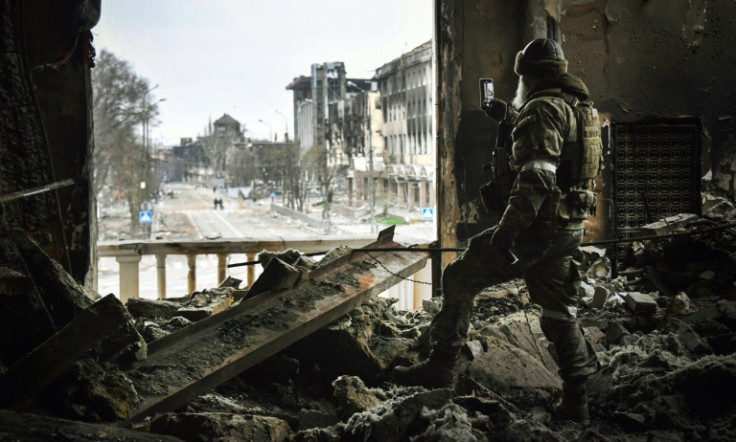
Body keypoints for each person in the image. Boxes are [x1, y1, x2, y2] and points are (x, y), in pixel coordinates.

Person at [393, 38, 599, 424]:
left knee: (459, 277)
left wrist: (507, 234)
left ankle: (441, 368)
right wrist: (508, 116)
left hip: (536, 230)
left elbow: (537, 176)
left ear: (528, 75)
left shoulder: (541, 109)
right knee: (558, 310)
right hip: (568, 226)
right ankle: (578, 400)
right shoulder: (577, 105)